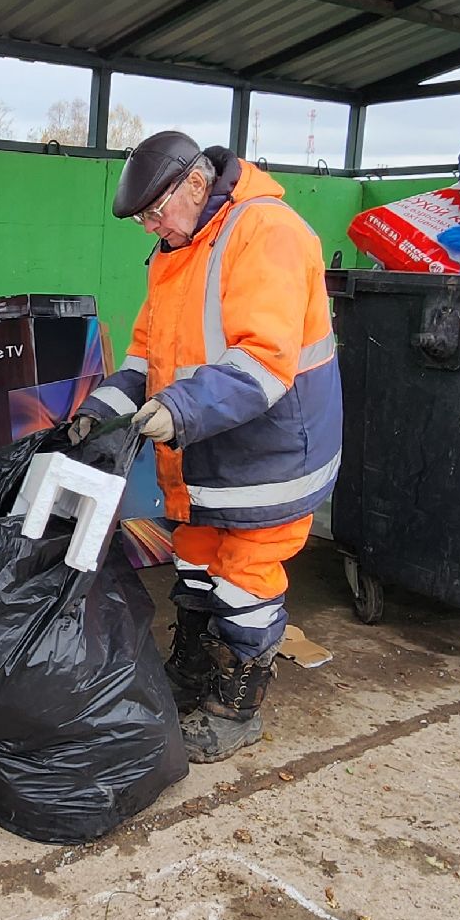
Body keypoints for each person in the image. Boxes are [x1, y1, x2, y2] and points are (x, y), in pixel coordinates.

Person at [73, 130, 342, 763]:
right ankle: (191, 667)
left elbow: (262, 361)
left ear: (196, 183)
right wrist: (97, 412)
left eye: (153, 212)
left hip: (270, 455)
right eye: (141, 219)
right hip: (206, 453)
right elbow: (148, 354)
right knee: (195, 560)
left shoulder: (266, 232)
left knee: (245, 578)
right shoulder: (178, 246)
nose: (149, 227)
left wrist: (177, 409)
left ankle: (237, 704)